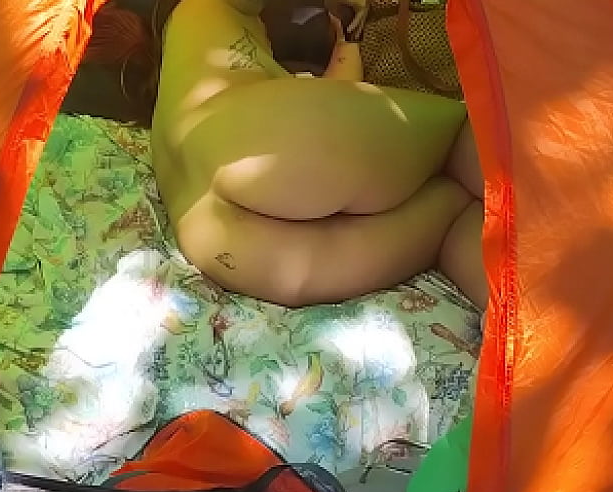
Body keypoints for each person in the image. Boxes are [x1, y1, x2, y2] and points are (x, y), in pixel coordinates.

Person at [84, 0, 487, 310]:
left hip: (228, 251)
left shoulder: (179, 85)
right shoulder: (207, 8)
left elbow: (322, 127)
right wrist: (347, 40)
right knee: (470, 140)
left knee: (456, 220)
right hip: (253, 140)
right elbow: (320, 125)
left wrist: (344, 52)